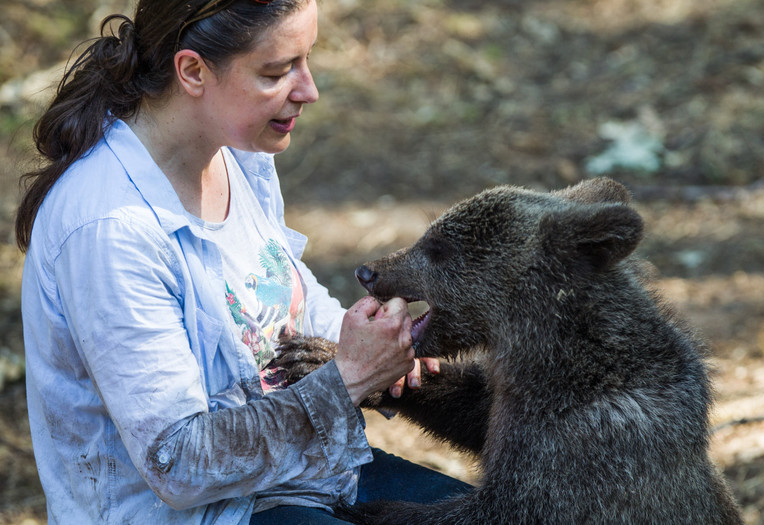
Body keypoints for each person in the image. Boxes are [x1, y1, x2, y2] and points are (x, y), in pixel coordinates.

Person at [15, 0, 471, 523]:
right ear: (192, 71)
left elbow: (277, 303)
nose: (308, 90)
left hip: (302, 479)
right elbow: (179, 462)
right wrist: (349, 377)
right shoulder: (110, 230)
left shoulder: (238, 153)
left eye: (306, 60)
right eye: (276, 72)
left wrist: (380, 343)